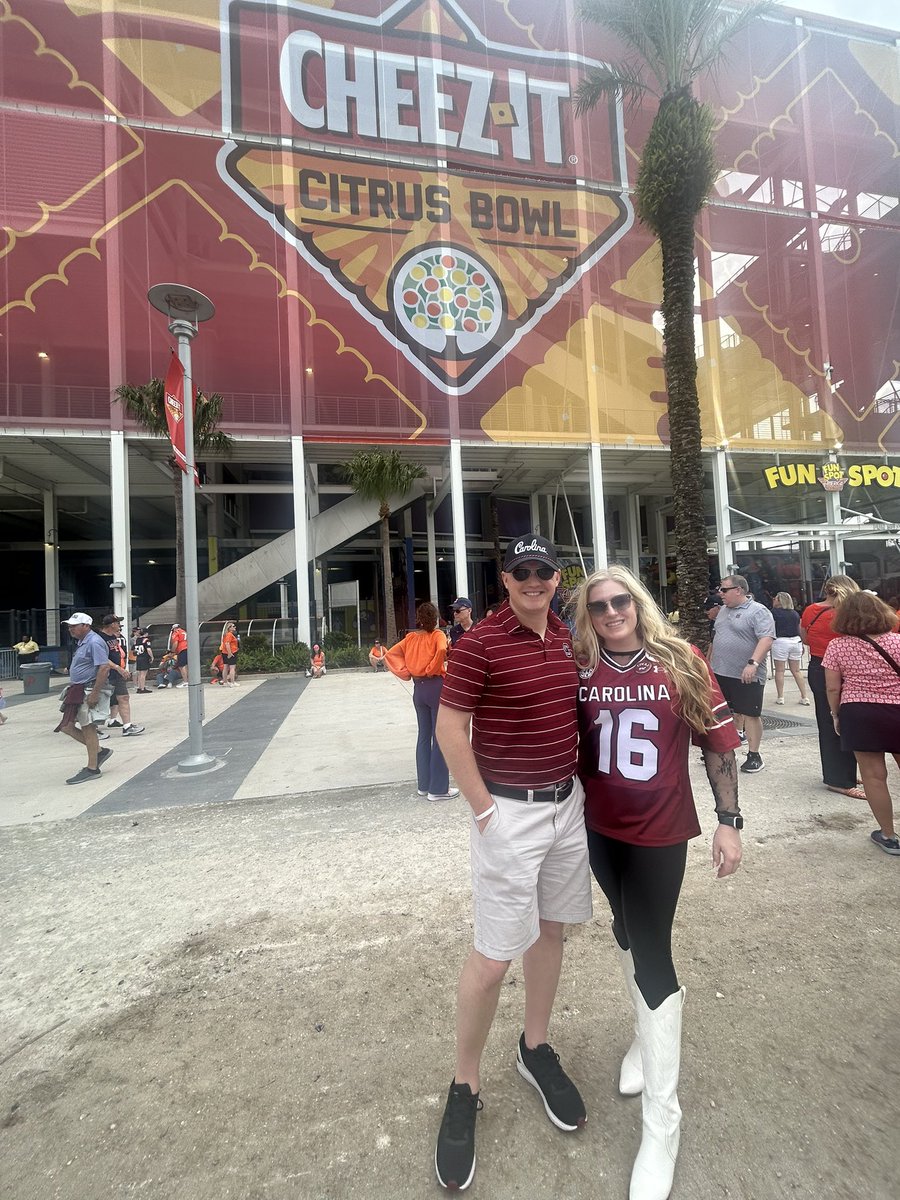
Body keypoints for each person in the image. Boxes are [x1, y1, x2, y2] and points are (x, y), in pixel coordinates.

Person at [572, 565, 742, 1200]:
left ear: (639, 603)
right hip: (598, 830)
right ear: (587, 616)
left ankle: (662, 1122)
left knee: (651, 951)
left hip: (660, 832)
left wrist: (729, 821)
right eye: (598, 606)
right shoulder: (581, 665)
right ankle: (645, 1046)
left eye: (621, 600)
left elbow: (718, 745)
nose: (612, 612)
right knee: (624, 934)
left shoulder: (681, 660)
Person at [432, 533, 591, 1191]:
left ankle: (533, 1047)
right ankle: (465, 1083)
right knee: (494, 957)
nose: (533, 580)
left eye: (544, 571)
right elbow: (449, 729)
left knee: (551, 930)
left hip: (567, 805)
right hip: (509, 813)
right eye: (522, 571)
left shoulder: (568, 637)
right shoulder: (480, 643)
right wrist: (484, 813)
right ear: (505, 578)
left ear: (557, 579)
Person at [824, 592, 900, 856]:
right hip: (898, 709)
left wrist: (836, 715)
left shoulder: (837, 647)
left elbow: (833, 688)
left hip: (859, 712)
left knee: (874, 776)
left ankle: (888, 836)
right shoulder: (898, 642)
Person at [383, 602, 456, 802]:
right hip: (435, 686)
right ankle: (438, 789)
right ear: (435, 618)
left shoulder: (411, 638)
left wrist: (408, 672)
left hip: (418, 689)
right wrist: (432, 668)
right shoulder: (438, 635)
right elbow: (442, 650)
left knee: (423, 736)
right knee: (440, 736)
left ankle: (424, 785)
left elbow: (390, 654)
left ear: (419, 618)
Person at [800, 574, 864, 799]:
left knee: (828, 722)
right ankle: (840, 778)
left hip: (818, 667)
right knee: (847, 721)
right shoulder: (849, 613)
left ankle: (841, 773)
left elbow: (806, 639)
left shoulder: (811, 610)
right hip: (846, 668)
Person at [710, 574, 775, 773]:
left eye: (724, 590)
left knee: (750, 713)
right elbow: (716, 637)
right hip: (721, 671)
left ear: (738, 590)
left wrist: (753, 663)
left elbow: (766, 639)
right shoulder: (722, 611)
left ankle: (754, 755)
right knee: (723, 712)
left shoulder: (758, 611)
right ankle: (723, 750)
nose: (720, 593)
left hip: (746, 673)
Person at [55, 613, 115, 784]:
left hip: (87, 689)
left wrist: (95, 693)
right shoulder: (83, 642)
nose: (70, 629)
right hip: (78, 689)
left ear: (86, 626)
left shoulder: (94, 642)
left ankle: (92, 768)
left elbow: (103, 668)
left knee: (88, 728)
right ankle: (99, 751)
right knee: (66, 726)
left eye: (74, 625)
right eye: (69, 626)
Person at [98, 615, 145, 737]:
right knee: (98, 701)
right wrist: (118, 668)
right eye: (118, 623)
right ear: (112, 624)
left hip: (117, 674)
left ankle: (127, 726)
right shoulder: (99, 639)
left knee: (123, 697)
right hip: (104, 674)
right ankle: (93, 730)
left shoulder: (113, 637)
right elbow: (102, 658)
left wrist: (122, 669)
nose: (119, 625)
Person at [771, 592, 810, 705]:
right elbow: (798, 629)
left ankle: (781, 697)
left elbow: (771, 628)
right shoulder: (794, 614)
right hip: (795, 641)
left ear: (779, 600)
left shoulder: (774, 613)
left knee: (779, 670)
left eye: (775, 598)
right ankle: (804, 696)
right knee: (797, 671)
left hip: (781, 641)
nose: (774, 599)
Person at [133, 629, 154, 693]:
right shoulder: (146, 640)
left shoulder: (137, 640)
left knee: (139, 673)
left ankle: (139, 687)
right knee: (143, 674)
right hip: (144, 657)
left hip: (138, 657)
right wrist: (152, 656)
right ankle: (142, 688)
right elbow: (148, 649)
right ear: (146, 633)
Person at [220, 621, 239, 687]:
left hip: (224, 652)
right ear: (229, 628)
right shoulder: (229, 635)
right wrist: (230, 653)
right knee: (232, 668)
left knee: (225, 667)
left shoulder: (226, 635)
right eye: (233, 626)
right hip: (231, 652)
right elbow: (227, 643)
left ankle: (225, 682)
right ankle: (232, 682)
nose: (235, 627)